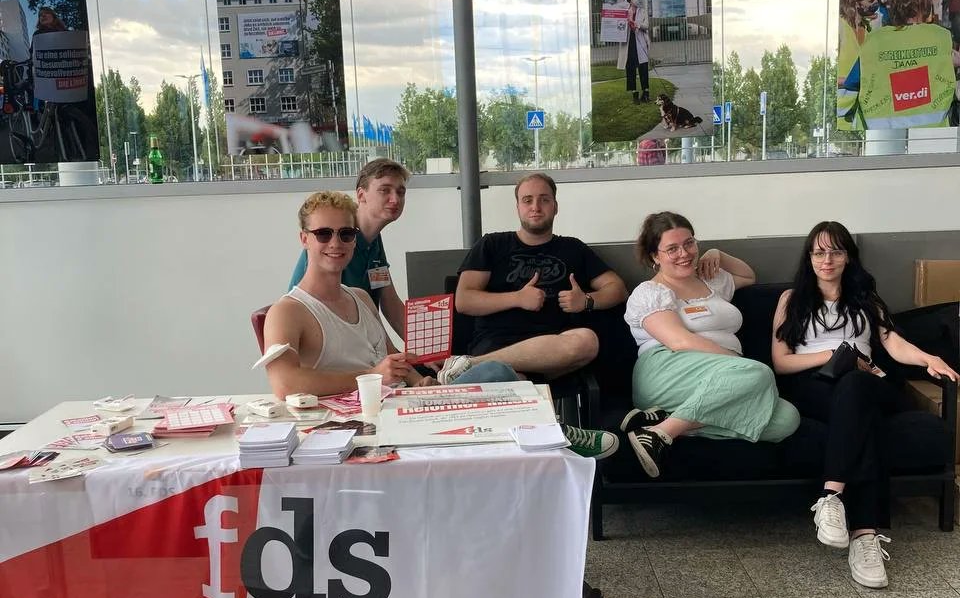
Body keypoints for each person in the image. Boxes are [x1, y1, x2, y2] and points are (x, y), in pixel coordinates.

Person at [772, 221, 958, 589]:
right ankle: (865, 535)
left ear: (848, 257)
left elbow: (893, 343)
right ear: (809, 257)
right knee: (862, 415)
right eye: (819, 252)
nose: (827, 259)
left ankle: (831, 497)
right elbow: (781, 361)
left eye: (836, 251)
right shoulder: (790, 300)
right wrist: (840, 353)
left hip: (868, 384)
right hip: (814, 387)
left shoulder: (865, 299)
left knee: (857, 388)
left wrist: (927, 358)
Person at [263, 191, 522, 398]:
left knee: (501, 374)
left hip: (400, 405)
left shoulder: (360, 297)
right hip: (360, 422)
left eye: (345, 234)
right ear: (304, 239)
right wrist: (372, 376)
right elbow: (284, 384)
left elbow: (390, 359)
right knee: (496, 374)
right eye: (323, 234)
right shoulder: (287, 311)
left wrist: (420, 382)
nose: (335, 243)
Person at [620, 211, 800, 479]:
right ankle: (659, 435)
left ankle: (665, 420)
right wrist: (739, 364)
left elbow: (748, 276)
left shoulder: (710, 279)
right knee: (759, 372)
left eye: (689, 243)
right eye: (672, 249)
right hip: (667, 369)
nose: (684, 253)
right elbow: (679, 341)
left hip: (720, 379)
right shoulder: (650, 292)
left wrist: (718, 253)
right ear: (654, 257)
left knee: (787, 419)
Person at [442, 172, 628, 385]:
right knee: (504, 378)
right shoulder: (492, 244)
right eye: (527, 200)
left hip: (554, 352)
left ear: (555, 207)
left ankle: (469, 365)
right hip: (497, 344)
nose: (536, 207)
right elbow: (464, 301)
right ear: (518, 207)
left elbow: (617, 288)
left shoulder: (573, 248)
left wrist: (586, 300)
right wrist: (517, 298)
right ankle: (492, 370)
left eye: (544, 200)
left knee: (587, 341)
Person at [288, 159, 409, 338]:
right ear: (361, 195)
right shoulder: (335, 246)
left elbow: (389, 302)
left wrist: (429, 349)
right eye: (385, 190)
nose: (395, 199)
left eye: (401, 192)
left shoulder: (373, 241)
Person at [858, 0, 960, 130]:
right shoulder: (941, 37)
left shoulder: (873, 40)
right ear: (926, 0)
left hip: (883, 138)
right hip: (934, 137)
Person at [836, 0, 881, 130]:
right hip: (840, 111)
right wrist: (848, 81)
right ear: (856, 2)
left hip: (860, 109)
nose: (877, 3)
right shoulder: (840, 27)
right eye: (871, 0)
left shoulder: (866, 27)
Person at [617, 0, 650, 105]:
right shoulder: (624, 12)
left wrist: (636, 24)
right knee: (630, 68)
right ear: (630, 1)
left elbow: (646, 26)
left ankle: (646, 93)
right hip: (629, 43)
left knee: (643, 68)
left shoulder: (643, 11)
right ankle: (634, 94)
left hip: (640, 41)